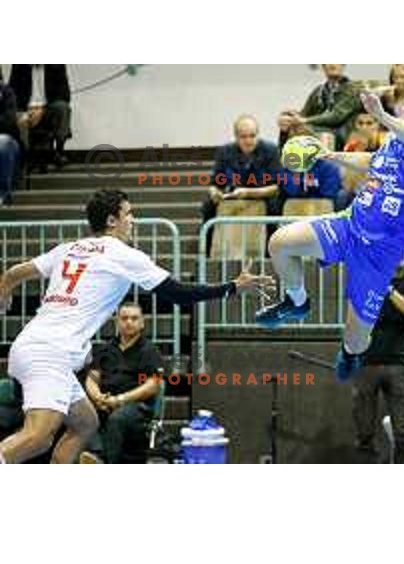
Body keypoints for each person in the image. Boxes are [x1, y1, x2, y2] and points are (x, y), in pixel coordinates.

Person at [0, 189, 274, 464]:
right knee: (38, 437)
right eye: (128, 213)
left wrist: (4, 296)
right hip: (50, 353)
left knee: (85, 423)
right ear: (111, 220)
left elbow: (12, 274)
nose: (133, 219)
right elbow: (178, 293)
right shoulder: (123, 254)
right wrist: (232, 287)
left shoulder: (69, 248)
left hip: (31, 344)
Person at [256, 82, 404, 381]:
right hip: (349, 225)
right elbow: (372, 162)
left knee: (356, 340)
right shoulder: (393, 142)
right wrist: (328, 155)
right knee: (280, 243)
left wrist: (380, 114)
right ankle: (297, 301)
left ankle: (350, 353)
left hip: (379, 255)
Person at [352, 243, 404, 464]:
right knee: (364, 432)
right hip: (366, 363)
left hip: (398, 365)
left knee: (402, 432)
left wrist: (388, 289)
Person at [81, 302, 162, 464]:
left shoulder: (149, 350)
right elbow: (92, 378)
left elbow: (153, 385)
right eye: (124, 318)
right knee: (80, 413)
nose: (129, 322)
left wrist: (120, 400)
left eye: (134, 318)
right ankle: (94, 455)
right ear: (117, 322)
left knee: (117, 418)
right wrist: (98, 397)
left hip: (136, 406)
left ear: (142, 323)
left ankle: (102, 460)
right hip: (105, 401)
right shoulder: (104, 349)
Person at [199, 115, 280, 254]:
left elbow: (277, 187)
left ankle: (269, 253)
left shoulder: (271, 150)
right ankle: (206, 252)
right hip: (235, 193)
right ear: (236, 137)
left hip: (263, 193)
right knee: (207, 206)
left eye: (252, 136)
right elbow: (215, 184)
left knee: (275, 206)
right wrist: (215, 192)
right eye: (243, 137)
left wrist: (249, 192)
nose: (248, 141)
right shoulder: (225, 152)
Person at [277, 65, 362, 150]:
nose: (332, 64)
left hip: (342, 137)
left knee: (315, 133)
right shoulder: (319, 91)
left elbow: (336, 116)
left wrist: (304, 121)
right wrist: (290, 118)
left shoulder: (352, 89)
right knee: (293, 128)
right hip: (320, 134)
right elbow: (304, 115)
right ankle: (284, 160)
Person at [9, 64, 71, 172]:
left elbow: (65, 95)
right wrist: (26, 111)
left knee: (63, 108)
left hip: (48, 109)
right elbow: (12, 93)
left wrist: (42, 110)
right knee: (18, 118)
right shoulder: (19, 66)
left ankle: (59, 152)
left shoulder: (57, 66)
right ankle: (25, 157)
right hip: (26, 109)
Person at [0, 79, 21, 206]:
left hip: (8, 140)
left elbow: (9, 121)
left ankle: (2, 194)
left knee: (2, 142)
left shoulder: (7, 92)